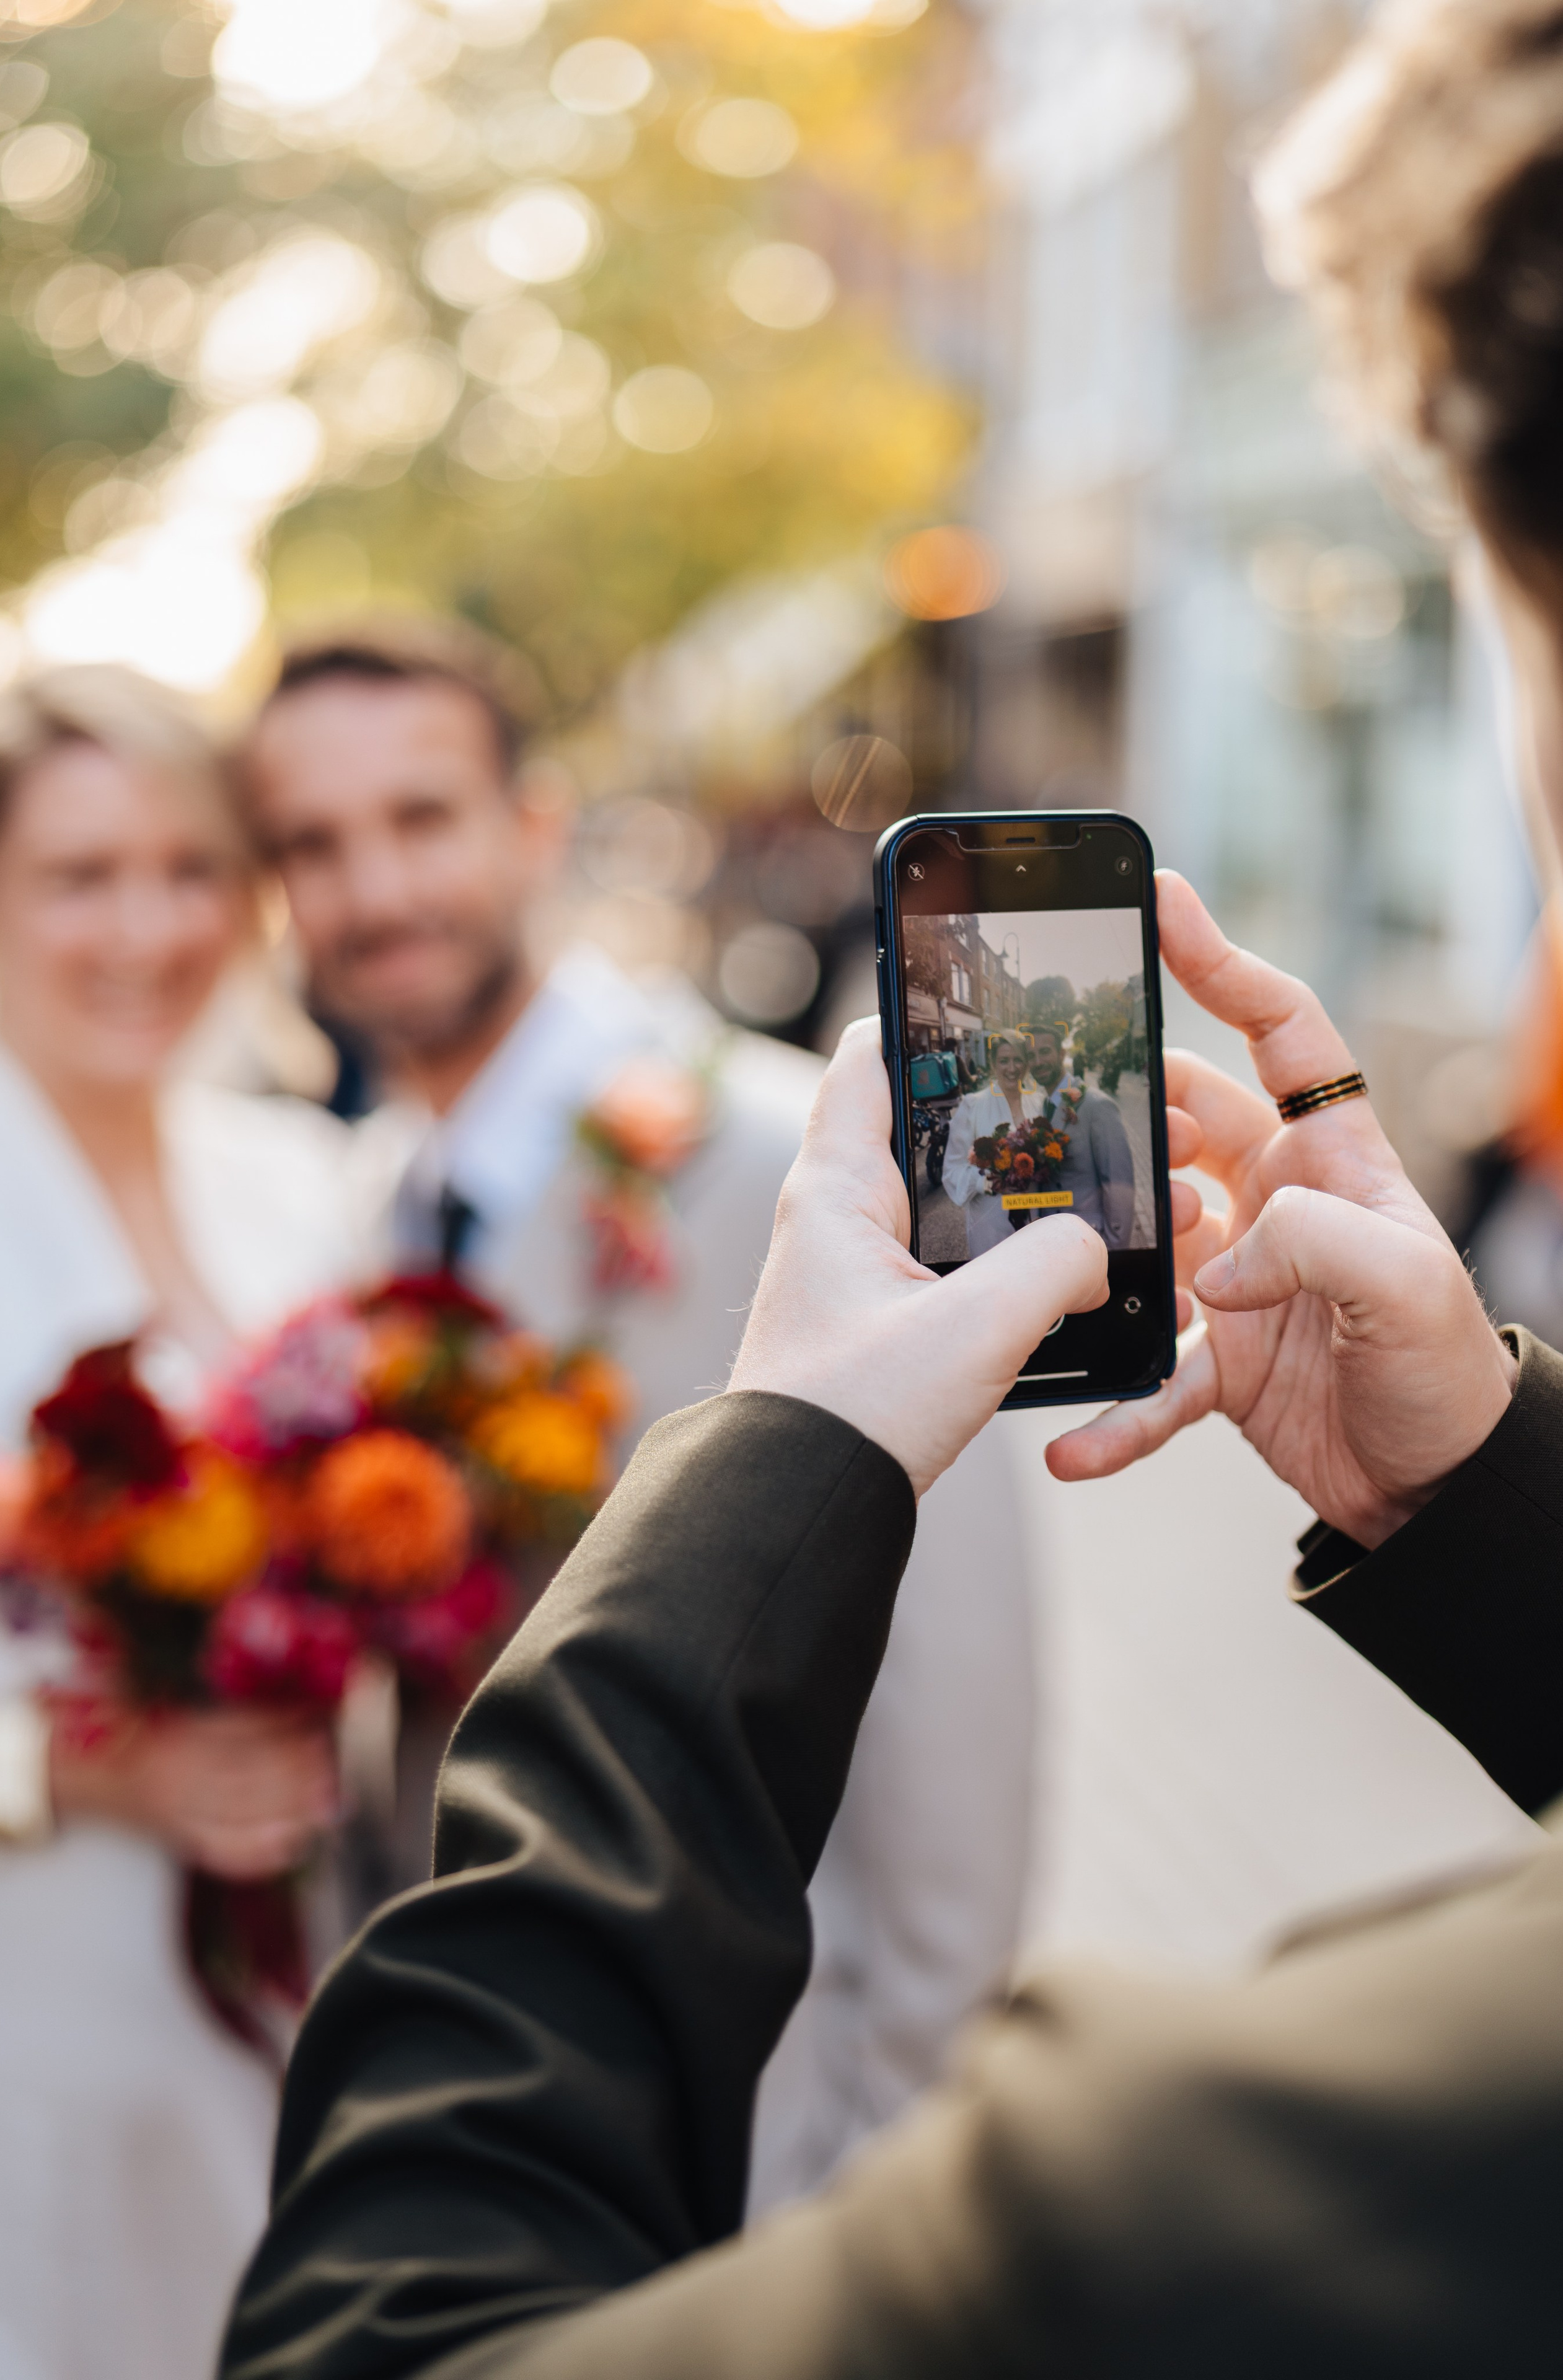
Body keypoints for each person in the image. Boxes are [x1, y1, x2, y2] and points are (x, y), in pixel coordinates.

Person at [215, 6, 1563, 2363]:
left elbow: (383, 2328)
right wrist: (1499, 1505)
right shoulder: (320, 1212)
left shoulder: (1208, 2184)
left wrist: (776, 1465)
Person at [237, 623, 1038, 2210]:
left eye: (420, 817)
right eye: (313, 845)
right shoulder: (360, 1207)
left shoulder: (793, 1165)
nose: (376, 890)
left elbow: (951, 1736)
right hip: (479, 2123)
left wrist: (875, 2194)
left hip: (759, 2145)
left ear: (533, 825)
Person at [0, 669, 345, 2380]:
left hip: (289, 1981)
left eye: (193, 867)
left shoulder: (296, 1184)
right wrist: (80, 1772)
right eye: (81, 875)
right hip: (23, 1997)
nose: (149, 926)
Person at [1027, 1020, 1137, 1248]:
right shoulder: (1043, 1107)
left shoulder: (1097, 1106)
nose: (1038, 1062)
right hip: (1052, 1239)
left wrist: (1114, 1249)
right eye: (1031, 1056)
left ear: (1061, 1054)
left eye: (1045, 1052)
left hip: (1089, 1240)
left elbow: (1118, 1183)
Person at [940, 1030, 1038, 1253]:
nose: (1012, 1069)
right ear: (994, 1064)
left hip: (1035, 1220)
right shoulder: (973, 1106)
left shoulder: (1038, 1104)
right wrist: (987, 1182)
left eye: (1018, 1060)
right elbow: (952, 1170)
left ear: (1026, 1064)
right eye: (1004, 1061)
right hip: (990, 1225)